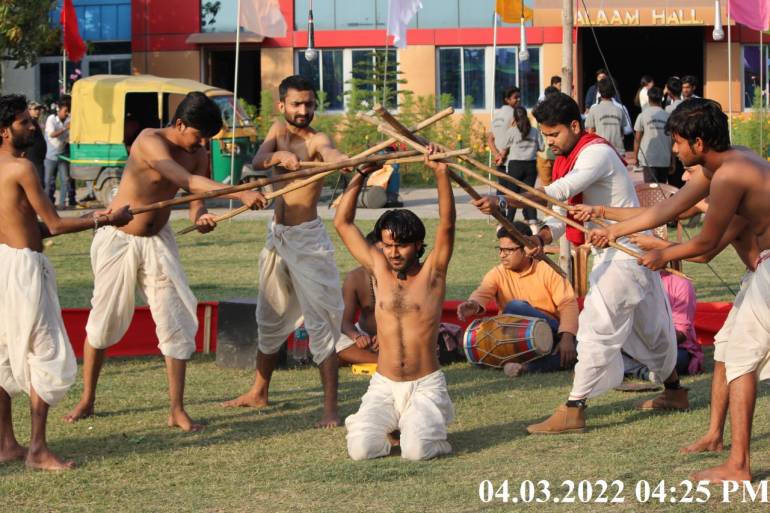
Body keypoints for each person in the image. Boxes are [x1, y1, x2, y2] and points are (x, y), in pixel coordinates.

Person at [470, 92, 683, 433]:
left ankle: (574, 408)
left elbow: (560, 190)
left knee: (596, 330)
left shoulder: (595, 152)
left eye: (554, 134)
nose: (549, 141)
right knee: (653, 331)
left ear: (574, 126)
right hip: (622, 256)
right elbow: (566, 216)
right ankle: (674, 390)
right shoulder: (570, 158)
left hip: (625, 254)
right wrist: (540, 239)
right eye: (545, 135)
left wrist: (502, 199)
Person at [587, 98, 770, 483]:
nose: (673, 149)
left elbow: (704, 245)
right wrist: (614, 230)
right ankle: (717, 437)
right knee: (727, 348)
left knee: (739, 357)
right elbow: (669, 210)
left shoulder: (731, 175)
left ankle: (738, 467)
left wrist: (664, 255)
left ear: (698, 142)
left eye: (676, 141)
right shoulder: (724, 163)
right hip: (764, 270)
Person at [62, 92, 266, 431]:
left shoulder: (198, 152)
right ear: (180, 123)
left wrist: (201, 218)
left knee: (175, 320)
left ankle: (176, 409)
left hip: (159, 242)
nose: (202, 144)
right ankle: (87, 398)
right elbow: (184, 181)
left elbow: (195, 199)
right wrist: (240, 192)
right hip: (118, 239)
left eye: (207, 139)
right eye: (199, 135)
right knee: (102, 321)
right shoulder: (148, 140)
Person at [0, 94, 132, 470]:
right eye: (24, 122)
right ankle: (37, 449)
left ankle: (6, 444)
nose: (33, 126)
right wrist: (106, 220)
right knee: (44, 352)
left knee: (4, 350)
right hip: (23, 270)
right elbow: (55, 225)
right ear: (4, 131)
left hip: (2, 264)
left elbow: (27, 225)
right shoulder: (22, 168)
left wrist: (93, 214)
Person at [221, 75, 355, 428]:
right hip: (277, 237)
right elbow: (260, 159)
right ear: (282, 105)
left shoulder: (317, 139)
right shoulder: (278, 131)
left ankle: (329, 409)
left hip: (308, 241)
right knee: (269, 316)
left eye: (309, 104)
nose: (304, 110)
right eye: (297, 104)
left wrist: (341, 160)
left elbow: (331, 152)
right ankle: (259, 392)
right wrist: (278, 155)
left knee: (322, 322)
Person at [335, 145, 456, 461]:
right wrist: (361, 173)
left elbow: (447, 224)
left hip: (425, 386)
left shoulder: (433, 274)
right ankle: (382, 425)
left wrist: (440, 172)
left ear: (418, 245)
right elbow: (343, 224)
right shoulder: (378, 270)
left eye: (402, 246)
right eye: (388, 245)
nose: (394, 253)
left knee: (415, 452)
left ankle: (430, 432)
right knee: (361, 450)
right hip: (384, 385)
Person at [457, 222, 578, 377]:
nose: (502, 255)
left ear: (526, 249)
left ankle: (542, 355)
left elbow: (567, 303)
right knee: (515, 309)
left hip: (554, 331)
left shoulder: (546, 270)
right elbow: (483, 291)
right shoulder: (497, 273)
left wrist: (567, 337)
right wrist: (473, 304)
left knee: (515, 307)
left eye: (509, 250)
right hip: (516, 339)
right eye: (500, 249)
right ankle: (527, 366)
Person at [337, 231, 380, 365]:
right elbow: (344, 322)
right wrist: (357, 336)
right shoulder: (355, 278)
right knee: (332, 342)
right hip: (364, 334)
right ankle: (382, 361)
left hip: (395, 336)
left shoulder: (401, 275)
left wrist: (386, 335)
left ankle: (374, 360)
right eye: (376, 254)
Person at [499, 106, 543, 227]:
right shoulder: (534, 131)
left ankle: (509, 220)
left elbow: (503, 145)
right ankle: (532, 220)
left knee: (512, 194)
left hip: (515, 165)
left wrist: (511, 128)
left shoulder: (513, 131)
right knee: (528, 193)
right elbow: (542, 147)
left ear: (514, 118)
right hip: (531, 165)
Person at [633, 87, 672, 184]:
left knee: (650, 189)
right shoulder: (668, 116)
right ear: (661, 99)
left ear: (649, 99)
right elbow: (672, 139)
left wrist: (635, 157)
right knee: (663, 188)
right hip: (664, 159)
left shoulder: (642, 115)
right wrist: (673, 160)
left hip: (648, 159)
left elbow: (637, 138)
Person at [44, 96, 75, 208]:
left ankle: (62, 204)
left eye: (68, 111)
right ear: (59, 109)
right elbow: (52, 134)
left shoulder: (68, 120)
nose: (67, 113)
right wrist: (65, 129)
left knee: (65, 180)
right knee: (48, 182)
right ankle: (48, 205)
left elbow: (68, 138)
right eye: (65, 111)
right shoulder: (51, 119)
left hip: (62, 155)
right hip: (50, 157)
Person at [585, 79, 626, 155]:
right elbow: (622, 132)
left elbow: (590, 132)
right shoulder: (620, 110)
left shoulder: (593, 109)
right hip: (618, 151)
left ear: (599, 92)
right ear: (614, 93)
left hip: (600, 151)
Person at [488, 87, 521, 170]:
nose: (519, 99)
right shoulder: (516, 114)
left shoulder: (496, 116)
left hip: (500, 162)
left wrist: (497, 155)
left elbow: (490, 139)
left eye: (519, 97)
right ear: (507, 100)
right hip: (513, 161)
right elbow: (512, 137)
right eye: (516, 97)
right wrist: (502, 155)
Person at [536, 86, 561, 187]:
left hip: (545, 155)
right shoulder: (561, 111)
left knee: (547, 189)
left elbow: (536, 132)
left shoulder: (539, 111)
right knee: (558, 187)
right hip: (555, 154)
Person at [24, 101, 46, 184]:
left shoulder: (35, 122)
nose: (38, 111)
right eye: (35, 109)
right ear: (28, 110)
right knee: (38, 184)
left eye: (39, 109)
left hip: (38, 160)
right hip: (33, 160)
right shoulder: (30, 122)